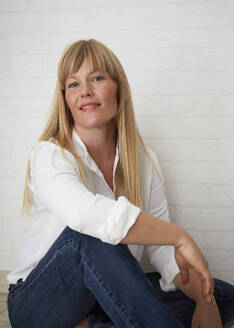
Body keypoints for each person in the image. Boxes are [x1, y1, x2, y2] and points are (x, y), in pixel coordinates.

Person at [7, 39, 234, 328]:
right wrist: (180, 237)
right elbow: (86, 216)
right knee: (89, 237)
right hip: (36, 302)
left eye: (97, 78)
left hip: (102, 293)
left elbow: (162, 252)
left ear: (119, 89)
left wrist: (205, 300)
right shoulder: (49, 153)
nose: (85, 91)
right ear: (65, 98)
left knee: (219, 295)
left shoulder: (143, 160)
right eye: (73, 84)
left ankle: (94, 323)